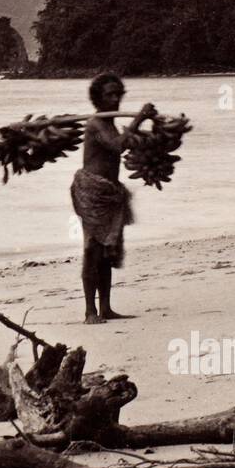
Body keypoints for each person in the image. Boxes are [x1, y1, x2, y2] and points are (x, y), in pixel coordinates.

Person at [72, 72, 152, 324]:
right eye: (110, 94)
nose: (116, 99)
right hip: (93, 193)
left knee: (107, 251)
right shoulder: (96, 123)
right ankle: (89, 311)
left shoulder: (110, 122)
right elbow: (117, 145)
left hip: (109, 192)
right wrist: (139, 118)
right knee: (92, 250)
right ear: (98, 98)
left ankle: (105, 308)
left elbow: (120, 143)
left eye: (118, 94)